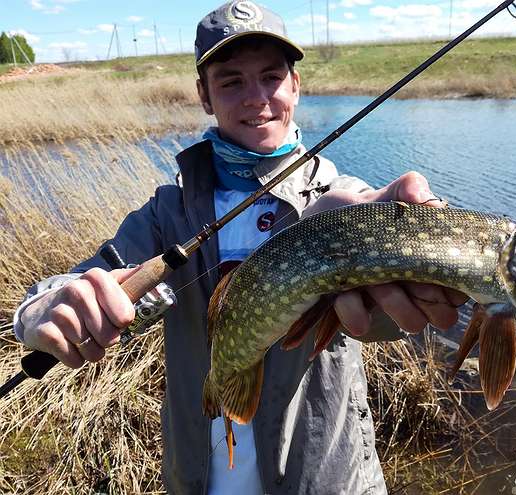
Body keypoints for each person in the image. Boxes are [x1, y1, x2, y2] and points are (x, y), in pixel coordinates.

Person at [13, 1, 466, 493]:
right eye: (231, 82)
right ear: (204, 96)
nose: (256, 98)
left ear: (295, 84)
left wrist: (405, 268)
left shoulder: (345, 202)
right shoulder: (169, 213)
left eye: (271, 77)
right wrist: (43, 310)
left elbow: (380, 324)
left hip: (322, 477)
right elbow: (78, 281)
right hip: (200, 473)